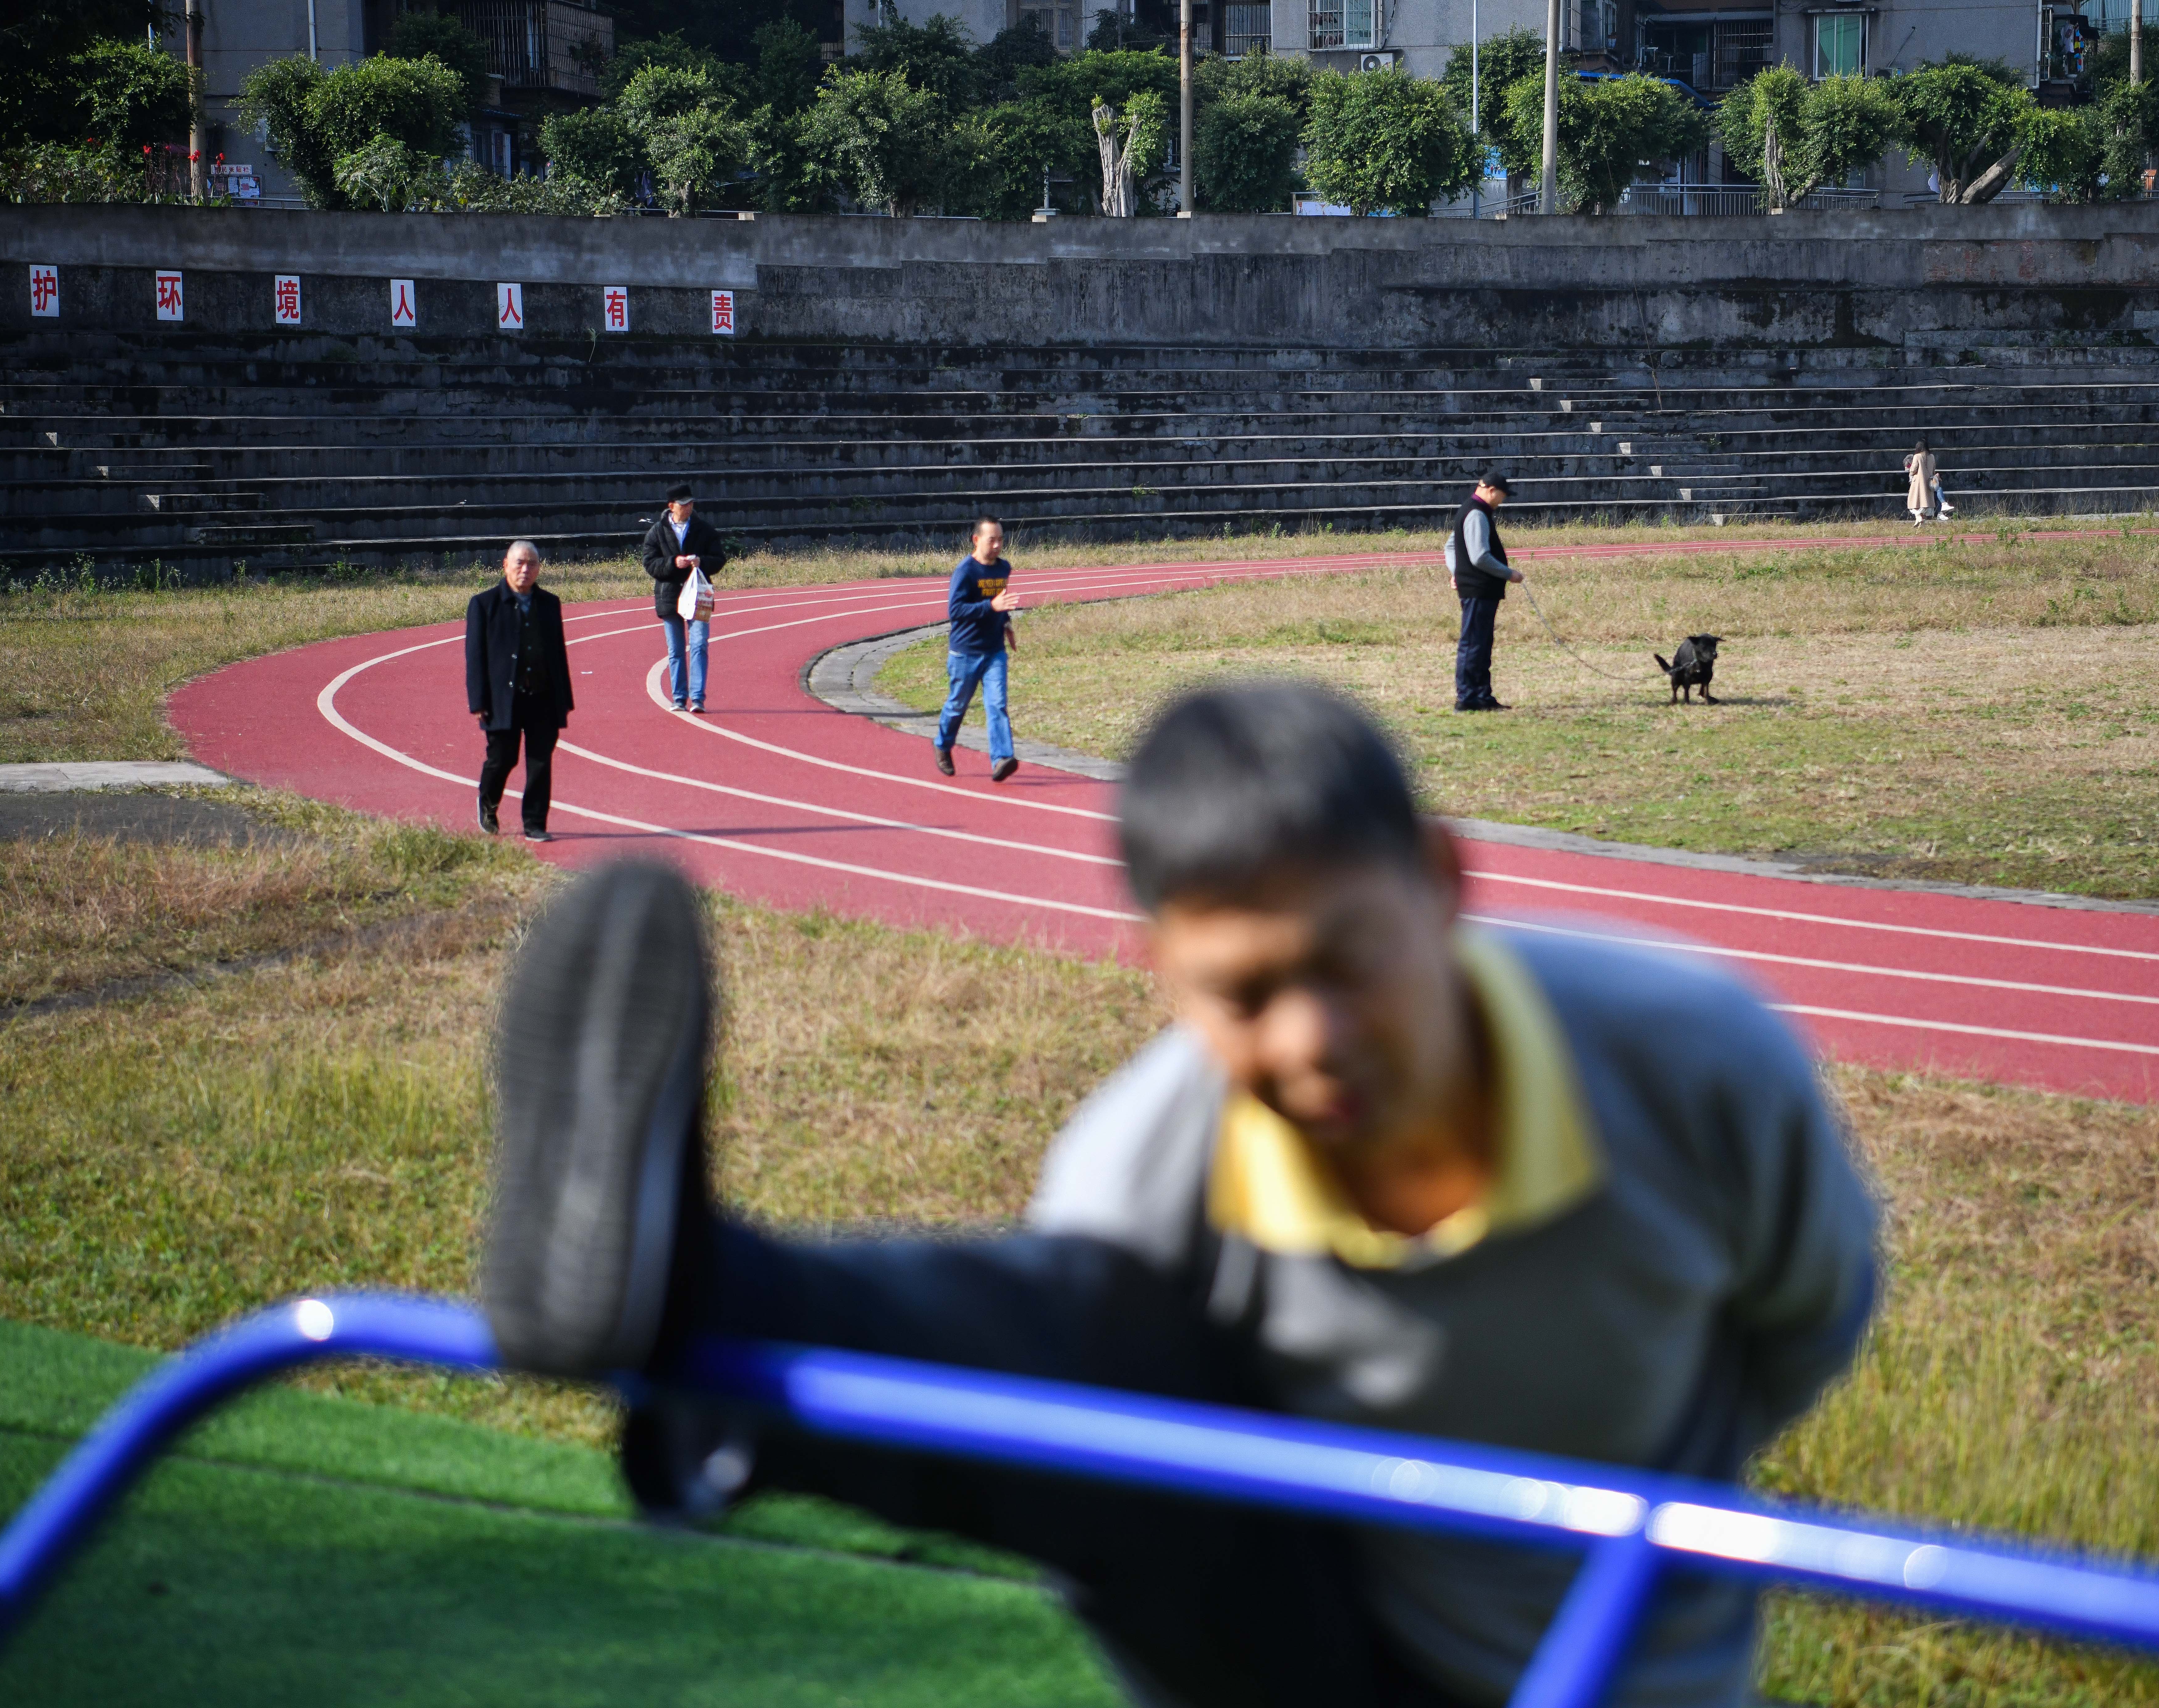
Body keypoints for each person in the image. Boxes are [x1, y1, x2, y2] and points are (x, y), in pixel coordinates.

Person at [478, 679, 1879, 1708]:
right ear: (1164, 975)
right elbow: (1053, 1454)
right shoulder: (1145, 1154)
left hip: (1631, 1661)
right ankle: (697, 1291)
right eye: (1247, 993)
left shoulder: (1692, 1063)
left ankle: (696, 1339)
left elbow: (1807, 1319)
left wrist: (1627, 1504)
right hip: (1302, 1641)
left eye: (1349, 961)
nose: (1312, 1038)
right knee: (1088, 1330)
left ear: (1445, 885)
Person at [464, 540, 573, 843]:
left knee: (540, 761)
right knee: (503, 758)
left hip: (544, 697)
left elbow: (558, 654)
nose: (526, 570)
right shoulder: (484, 605)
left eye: (532, 564)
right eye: (520, 563)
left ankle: (535, 822)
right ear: (506, 565)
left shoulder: (550, 604)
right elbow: (475, 658)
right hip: (502, 699)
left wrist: (564, 699)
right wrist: (478, 700)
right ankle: (488, 804)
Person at [934, 515, 1020, 783]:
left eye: (1001, 540)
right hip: (965, 652)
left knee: (997, 705)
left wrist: (1005, 622)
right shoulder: (965, 572)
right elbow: (956, 611)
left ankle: (1002, 759)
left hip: (994, 651)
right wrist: (990, 608)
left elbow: (999, 603)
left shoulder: (1003, 568)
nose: (997, 545)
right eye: (992, 539)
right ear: (976, 540)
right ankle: (943, 745)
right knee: (958, 705)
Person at [643, 484, 726, 714]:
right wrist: (673, 563)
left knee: (699, 644)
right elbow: (649, 563)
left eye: (691, 503)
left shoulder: (705, 530)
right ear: (671, 507)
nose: (688, 507)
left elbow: (719, 558)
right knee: (676, 650)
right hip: (670, 596)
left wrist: (702, 562)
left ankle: (698, 698)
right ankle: (679, 698)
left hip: (699, 595)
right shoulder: (657, 532)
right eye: (683, 504)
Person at [1444, 474, 1523, 712]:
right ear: (1490, 490)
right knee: (1474, 644)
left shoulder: (1472, 510)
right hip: (1479, 589)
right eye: (1503, 495)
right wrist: (1509, 574)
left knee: (1482, 642)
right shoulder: (1477, 514)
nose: (1504, 500)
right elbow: (1480, 556)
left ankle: (1482, 695)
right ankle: (1467, 698)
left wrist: (1457, 571)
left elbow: (1450, 546)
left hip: (1479, 589)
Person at [1903, 442, 1952, 526]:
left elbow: (1913, 469)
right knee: (1925, 503)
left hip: (1918, 483)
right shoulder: (1932, 457)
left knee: (1913, 502)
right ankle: (1922, 524)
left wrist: (1910, 471)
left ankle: (1919, 517)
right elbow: (1934, 470)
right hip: (1929, 483)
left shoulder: (1917, 456)